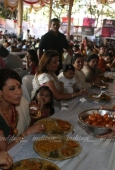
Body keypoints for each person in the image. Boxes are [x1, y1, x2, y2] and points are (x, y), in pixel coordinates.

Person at [0, 68, 45, 151]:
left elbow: (30, 124)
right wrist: (26, 133)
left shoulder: (19, 102)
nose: (19, 92)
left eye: (19, 87)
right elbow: (5, 150)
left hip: (20, 147)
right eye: (12, 88)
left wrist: (33, 114)